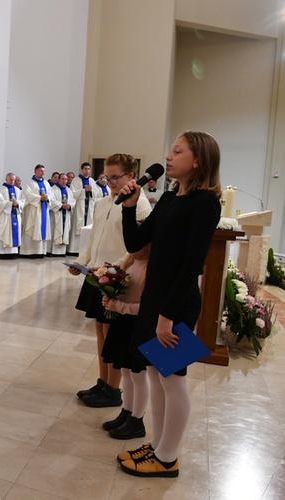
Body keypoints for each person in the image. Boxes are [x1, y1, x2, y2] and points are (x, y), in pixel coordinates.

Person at [117, 131, 221, 478]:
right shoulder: (170, 198)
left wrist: (166, 317)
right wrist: (129, 209)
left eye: (178, 151)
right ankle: (158, 444)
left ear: (198, 161)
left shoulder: (205, 203)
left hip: (177, 303)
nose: (170, 155)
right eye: (171, 150)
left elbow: (192, 265)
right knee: (153, 373)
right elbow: (136, 243)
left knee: (174, 379)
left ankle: (167, 457)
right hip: (155, 299)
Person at [70, 154, 151, 408]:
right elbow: (94, 237)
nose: (111, 182)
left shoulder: (140, 205)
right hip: (97, 273)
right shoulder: (104, 202)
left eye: (116, 177)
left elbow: (137, 247)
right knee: (99, 329)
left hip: (118, 277)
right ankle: (103, 381)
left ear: (131, 177)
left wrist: (115, 270)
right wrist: (83, 261)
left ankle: (113, 390)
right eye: (107, 177)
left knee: (111, 331)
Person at [100, 244, 150, 440]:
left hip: (138, 325)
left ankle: (137, 419)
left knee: (138, 374)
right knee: (127, 372)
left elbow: (147, 307)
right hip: (124, 323)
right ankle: (127, 411)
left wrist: (120, 306)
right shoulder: (131, 261)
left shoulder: (151, 268)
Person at [0, 172, 24, 258]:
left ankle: (12, 253)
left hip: (15, 214)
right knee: (4, 232)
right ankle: (1, 253)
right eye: (10, 179)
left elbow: (23, 201)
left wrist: (18, 203)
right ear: (6, 179)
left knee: (14, 232)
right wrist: (10, 204)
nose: (12, 181)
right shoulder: (1, 189)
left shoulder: (18, 190)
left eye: (14, 180)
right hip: (5, 216)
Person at [68, 162, 99, 256]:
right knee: (78, 226)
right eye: (85, 169)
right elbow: (72, 193)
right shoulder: (76, 180)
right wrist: (83, 191)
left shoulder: (92, 181)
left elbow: (96, 194)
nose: (87, 170)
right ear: (82, 170)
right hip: (79, 207)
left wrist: (91, 191)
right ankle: (74, 250)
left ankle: (86, 250)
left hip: (89, 207)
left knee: (88, 225)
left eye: (89, 169)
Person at [21, 164, 51, 258]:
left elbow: (51, 194)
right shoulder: (30, 183)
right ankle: (29, 252)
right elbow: (26, 194)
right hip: (33, 210)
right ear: (35, 172)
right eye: (41, 171)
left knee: (41, 228)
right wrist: (39, 198)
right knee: (33, 228)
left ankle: (40, 251)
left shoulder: (46, 183)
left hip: (43, 209)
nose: (43, 173)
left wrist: (47, 197)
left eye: (44, 171)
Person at [48, 173, 74, 257]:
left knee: (65, 230)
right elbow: (51, 200)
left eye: (66, 179)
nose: (64, 181)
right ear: (58, 179)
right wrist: (61, 205)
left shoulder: (69, 190)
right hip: (56, 214)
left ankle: (62, 251)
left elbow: (73, 200)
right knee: (55, 231)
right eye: (62, 179)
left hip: (66, 214)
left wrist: (70, 205)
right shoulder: (53, 189)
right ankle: (52, 251)